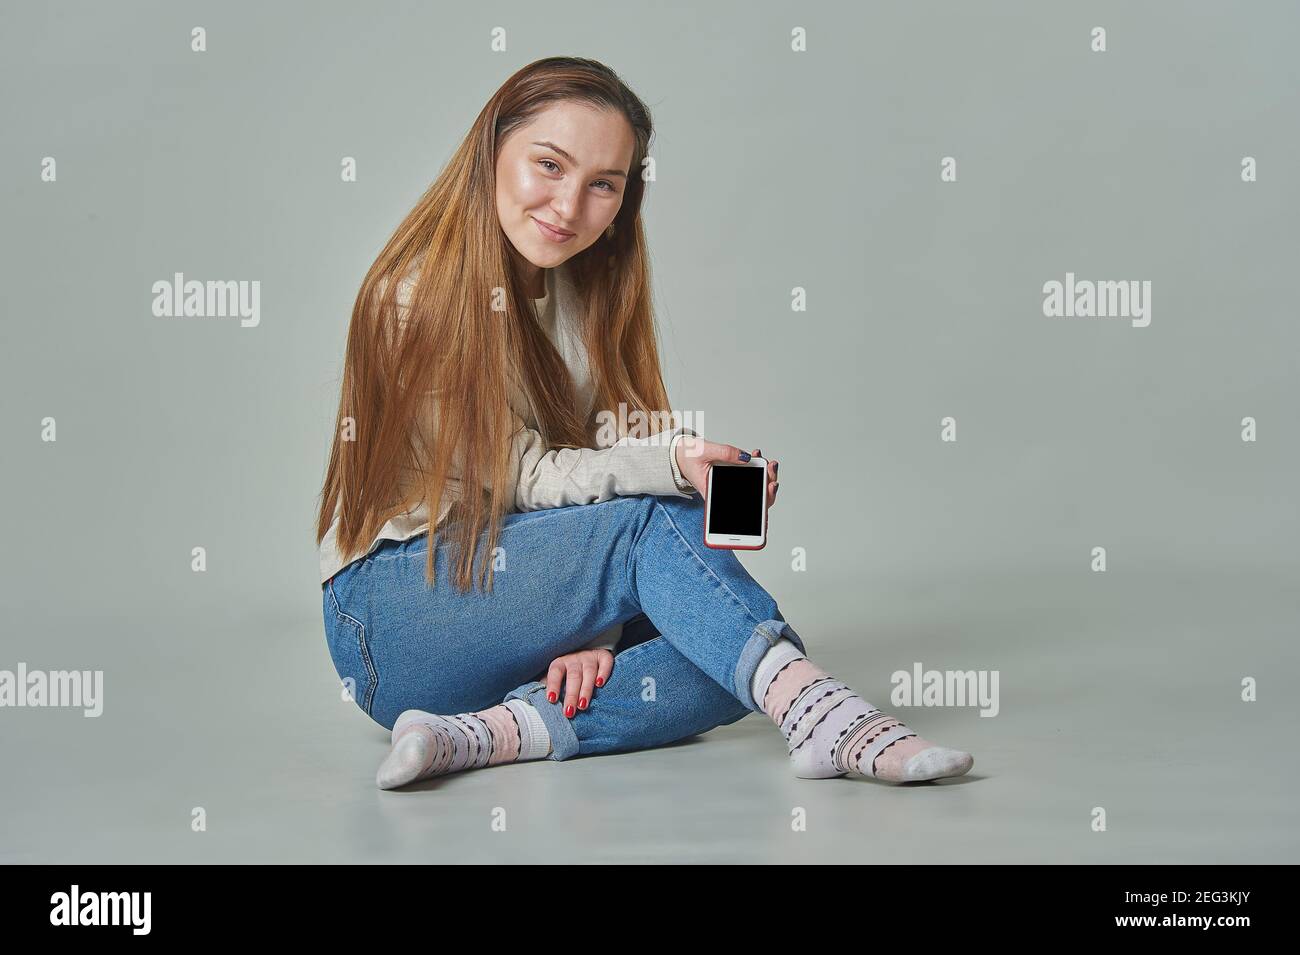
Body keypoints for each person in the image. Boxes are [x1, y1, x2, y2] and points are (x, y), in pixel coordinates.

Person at [314, 56, 974, 790]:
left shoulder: (583, 290)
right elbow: (523, 479)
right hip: (392, 617)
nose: (570, 205)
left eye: (604, 185)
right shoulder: (412, 297)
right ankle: (824, 714)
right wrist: (671, 469)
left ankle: (486, 731)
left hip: (513, 601)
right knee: (667, 536)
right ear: (491, 150)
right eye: (549, 165)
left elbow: (598, 472)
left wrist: (597, 631)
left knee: (722, 655)